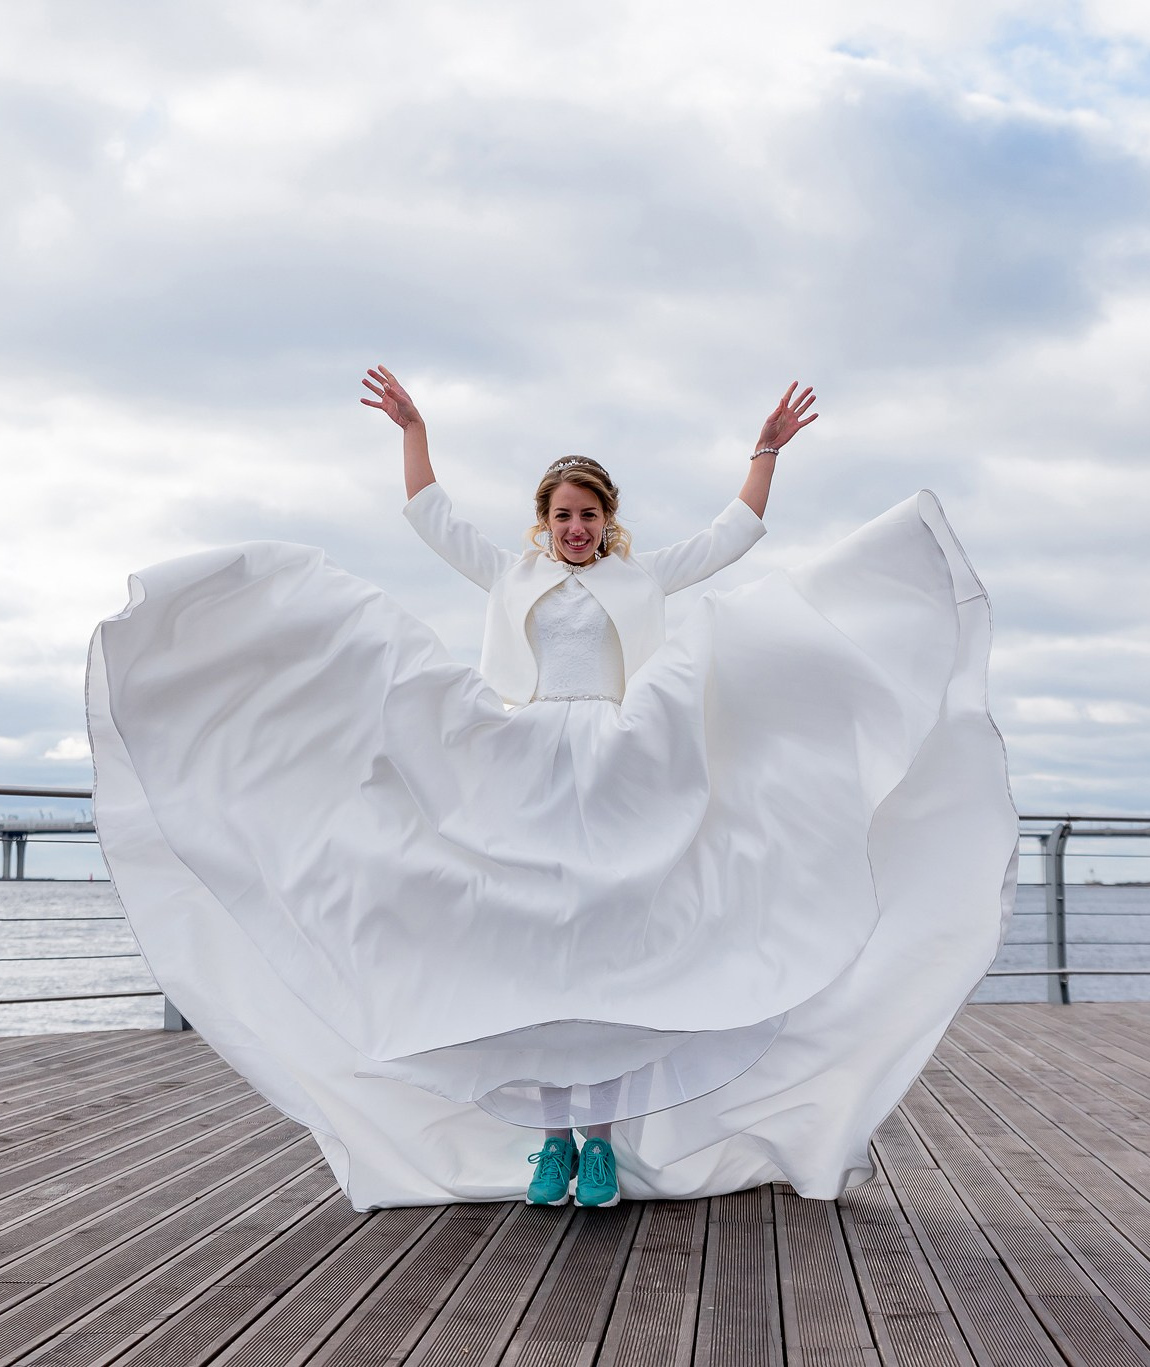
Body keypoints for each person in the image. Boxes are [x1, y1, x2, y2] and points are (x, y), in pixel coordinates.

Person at [86, 367, 1016, 1211]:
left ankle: (599, 1145)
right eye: (564, 515)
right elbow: (431, 515)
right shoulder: (512, 572)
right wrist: (413, 429)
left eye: (590, 516)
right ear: (544, 520)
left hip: (620, 767)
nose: (577, 528)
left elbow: (729, 538)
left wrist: (764, 451)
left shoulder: (638, 576)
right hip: (526, 763)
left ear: (608, 521)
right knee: (532, 950)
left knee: (607, 955)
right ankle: (552, 1143)